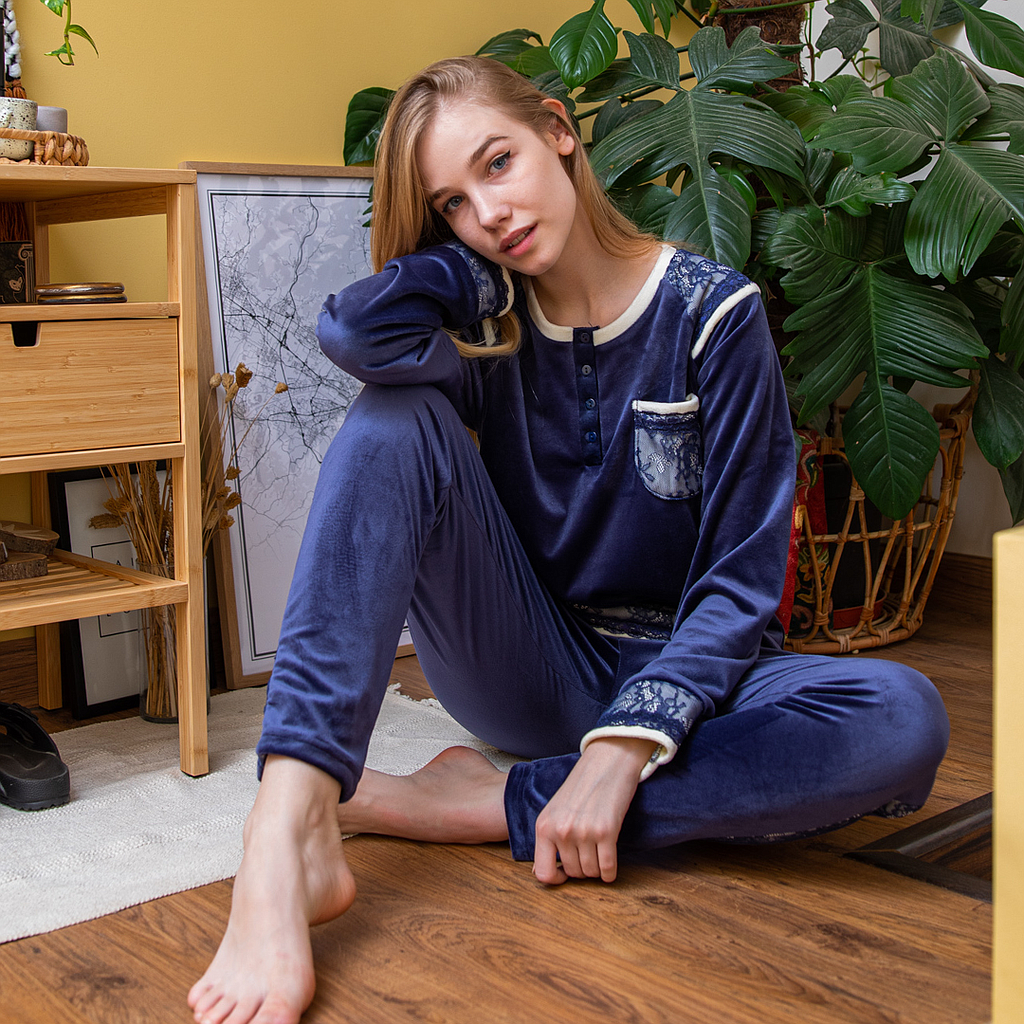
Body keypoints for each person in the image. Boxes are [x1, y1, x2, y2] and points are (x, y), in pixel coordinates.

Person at [188, 56, 950, 1024]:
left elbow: (739, 580)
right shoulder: (487, 333)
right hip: (532, 662)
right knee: (391, 418)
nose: (489, 212)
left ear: (558, 129)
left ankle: (468, 803)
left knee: (898, 716)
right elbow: (354, 332)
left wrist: (620, 749)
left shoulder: (714, 314)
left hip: (701, 680)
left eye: (497, 163)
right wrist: (472, 271)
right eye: (453, 203)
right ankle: (285, 821)